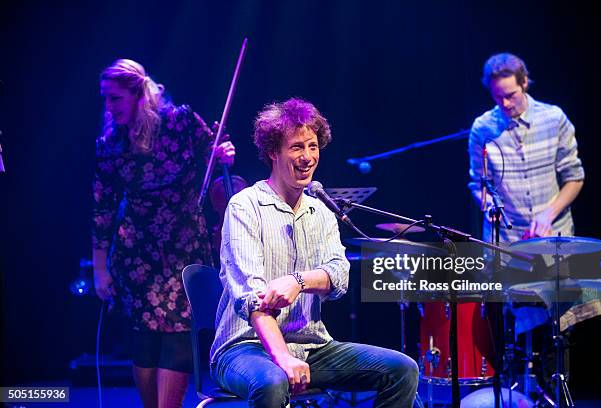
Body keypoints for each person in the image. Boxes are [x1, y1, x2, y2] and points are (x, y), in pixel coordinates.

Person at [209, 97, 419, 407]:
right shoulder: (245, 206)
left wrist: (299, 280)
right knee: (273, 382)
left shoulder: (320, 210)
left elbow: (340, 276)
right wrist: (281, 357)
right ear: (272, 152)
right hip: (244, 348)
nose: (307, 157)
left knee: (402, 369)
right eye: (296, 147)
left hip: (310, 347)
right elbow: (250, 298)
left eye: (313, 146)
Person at [92, 59, 235, 408]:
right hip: (136, 253)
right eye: (105, 99)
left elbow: (215, 157)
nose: (108, 107)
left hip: (184, 246)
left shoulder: (181, 122)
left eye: (115, 98)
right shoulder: (110, 143)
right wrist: (100, 268)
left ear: (138, 93)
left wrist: (224, 154)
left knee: (177, 338)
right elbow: (102, 209)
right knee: (144, 342)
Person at [468, 52, 584, 244]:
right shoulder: (482, 128)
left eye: (510, 95)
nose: (505, 103)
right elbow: (479, 185)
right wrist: (489, 205)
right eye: (497, 96)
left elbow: (575, 178)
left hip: (554, 234)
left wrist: (548, 214)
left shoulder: (553, 119)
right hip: (505, 241)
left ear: (524, 83)